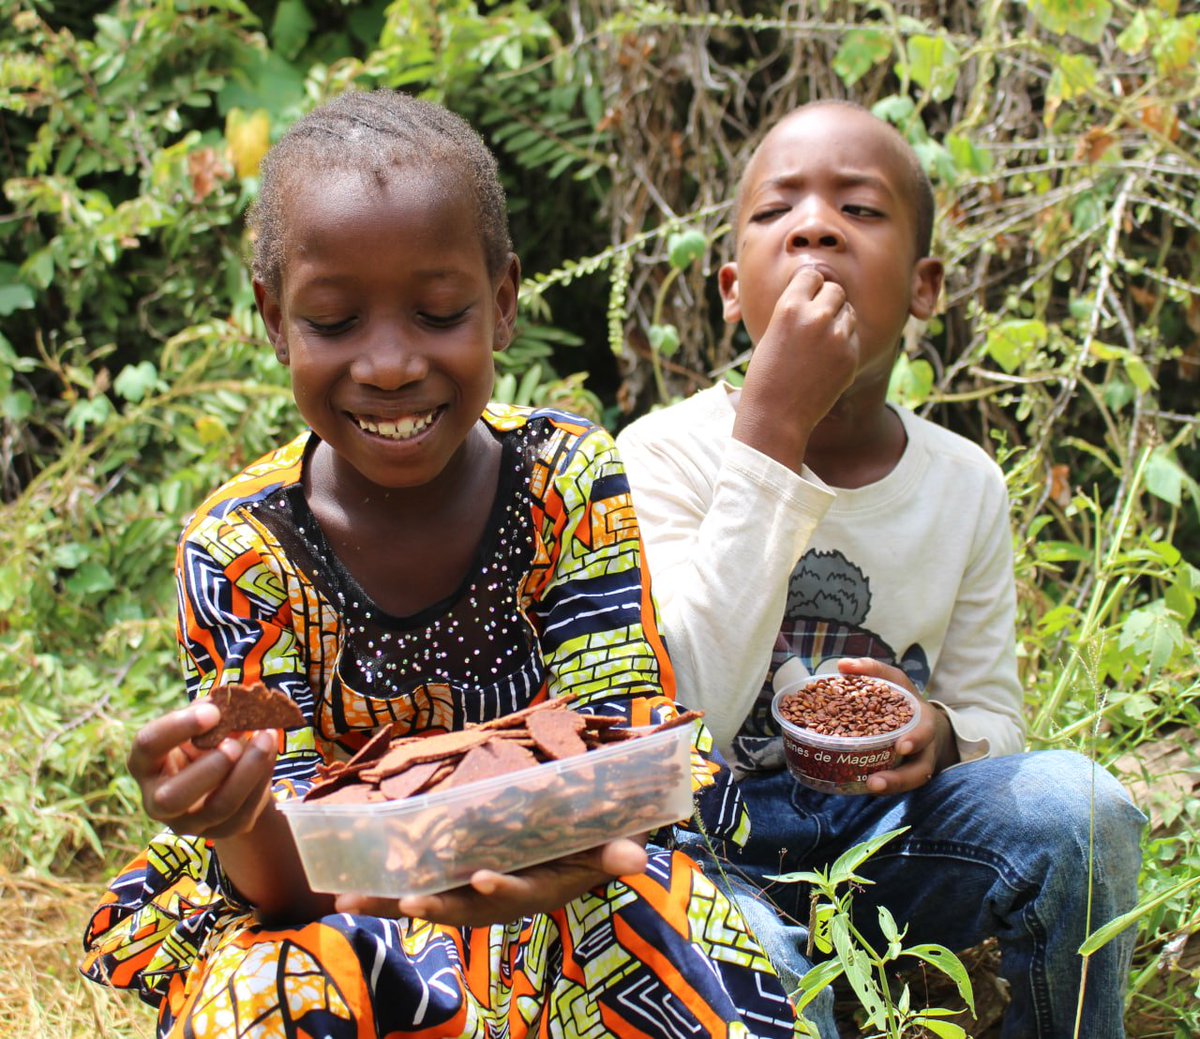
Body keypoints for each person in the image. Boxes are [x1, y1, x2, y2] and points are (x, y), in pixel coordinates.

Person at [80, 89, 805, 1039]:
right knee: (262, 997)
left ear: (502, 303)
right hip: (344, 912)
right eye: (334, 322)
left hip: (576, 881)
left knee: (691, 951)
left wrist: (559, 856)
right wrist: (229, 809)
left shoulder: (567, 482)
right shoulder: (243, 550)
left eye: (438, 311)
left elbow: (628, 765)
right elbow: (283, 876)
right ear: (272, 318)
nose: (388, 363)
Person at [616, 100, 1146, 1039]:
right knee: (773, 993)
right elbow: (678, 703)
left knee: (1087, 813)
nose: (816, 226)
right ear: (733, 290)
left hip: (893, 843)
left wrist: (943, 735)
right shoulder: (664, 455)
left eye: (859, 211)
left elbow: (994, 715)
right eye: (781, 210)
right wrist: (772, 432)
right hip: (713, 847)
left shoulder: (963, 484)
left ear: (925, 285)